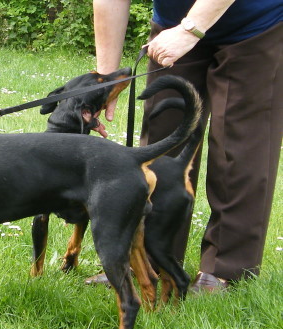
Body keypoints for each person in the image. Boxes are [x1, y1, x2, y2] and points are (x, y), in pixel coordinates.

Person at [86, 0, 282, 292]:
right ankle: (150, 259)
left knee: (239, 149)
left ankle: (225, 270)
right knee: (161, 141)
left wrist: (191, 30)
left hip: (256, 24)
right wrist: (105, 82)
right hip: (172, 22)